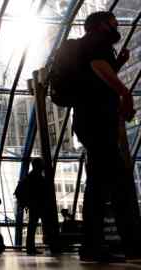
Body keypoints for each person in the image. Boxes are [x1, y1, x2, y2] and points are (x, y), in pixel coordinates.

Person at [71, 11, 139, 262]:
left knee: (99, 186)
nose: (117, 25)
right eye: (113, 21)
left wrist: (118, 64)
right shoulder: (96, 41)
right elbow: (97, 67)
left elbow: (94, 77)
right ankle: (131, 245)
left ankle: (91, 246)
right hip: (96, 121)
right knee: (119, 181)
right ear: (101, 25)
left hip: (91, 121)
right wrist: (125, 92)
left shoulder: (88, 45)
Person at [23, 158, 50, 256]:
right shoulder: (37, 176)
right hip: (37, 204)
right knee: (33, 226)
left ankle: (30, 248)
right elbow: (42, 191)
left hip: (33, 204)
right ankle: (31, 248)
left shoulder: (30, 175)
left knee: (32, 226)